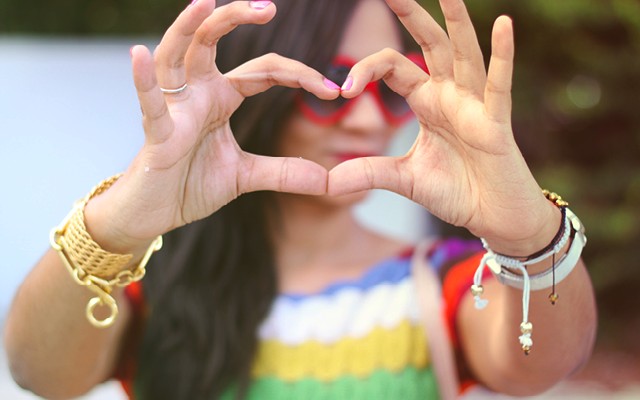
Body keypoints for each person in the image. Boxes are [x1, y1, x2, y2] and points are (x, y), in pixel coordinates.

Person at [4, 0, 597, 399]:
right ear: (256, 87)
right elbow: (40, 373)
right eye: (331, 87)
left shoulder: (444, 281)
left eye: (389, 89)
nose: (368, 120)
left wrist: (529, 237)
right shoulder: (149, 285)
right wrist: (123, 218)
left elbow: (545, 363)